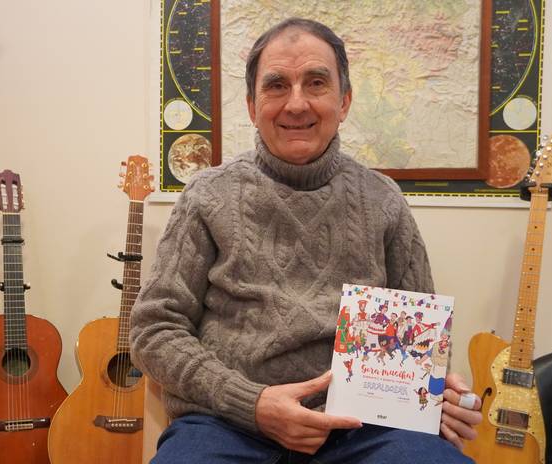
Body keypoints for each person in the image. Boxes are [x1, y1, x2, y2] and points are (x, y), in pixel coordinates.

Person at [130, 17, 481, 464]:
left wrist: (436, 393)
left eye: (316, 83)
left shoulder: (385, 200)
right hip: (228, 424)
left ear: (344, 101)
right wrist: (252, 403)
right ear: (252, 106)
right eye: (277, 85)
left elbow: (418, 344)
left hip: (365, 429)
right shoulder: (206, 195)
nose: (296, 103)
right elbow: (154, 329)